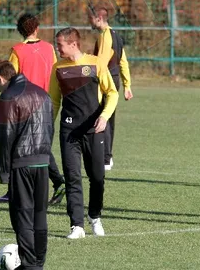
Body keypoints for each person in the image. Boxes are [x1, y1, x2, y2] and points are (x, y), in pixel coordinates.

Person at [49, 27, 118, 239]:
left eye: (60, 44)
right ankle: (76, 225)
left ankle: (95, 216)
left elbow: (112, 93)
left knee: (97, 177)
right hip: (69, 132)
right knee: (72, 176)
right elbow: (54, 100)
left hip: (94, 130)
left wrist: (104, 117)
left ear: (73, 44)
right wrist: (47, 127)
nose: (57, 48)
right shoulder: (58, 68)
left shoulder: (96, 63)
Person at [0, 13, 65, 205]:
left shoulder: (17, 51)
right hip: (46, 101)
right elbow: (55, 71)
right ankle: (52, 184)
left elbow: (10, 79)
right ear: (36, 29)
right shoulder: (50, 48)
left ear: (20, 30)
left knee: (20, 144)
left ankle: (56, 181)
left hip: (24, 104)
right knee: (40, 146)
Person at [0, 60, 52, 270]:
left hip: (21, 164)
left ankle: (29, 265)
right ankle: (39, 262)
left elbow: (5, 137)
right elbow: (48, 132)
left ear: (0, 79)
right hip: (42, 163)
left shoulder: (8, 96)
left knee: (23, 216)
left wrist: (4, 172)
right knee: (39, 216)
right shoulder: (44, 94)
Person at [88, 6, 133, 171]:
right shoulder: (116, 36)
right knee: (108, 119)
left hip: (105, 81)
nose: (89, 21)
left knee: (101, 117)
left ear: (99, 18)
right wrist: (127, 85)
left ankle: (104, 158)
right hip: (114, 80)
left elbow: (100, 64)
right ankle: (107, 157)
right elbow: (123, 61)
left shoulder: (106, 37)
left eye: (91, 18)